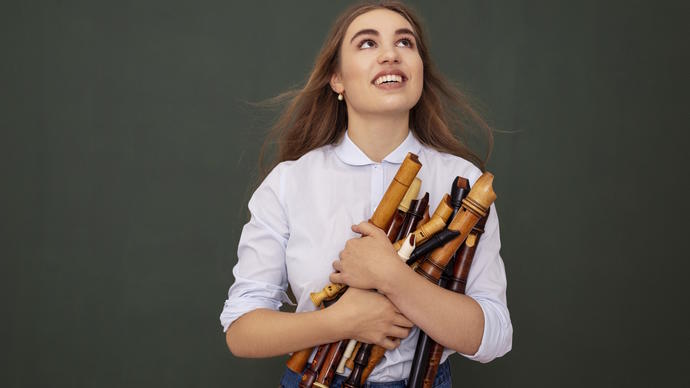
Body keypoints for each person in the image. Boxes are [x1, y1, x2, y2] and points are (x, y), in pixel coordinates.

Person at [220, 2, 512, 387]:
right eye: (367, 44)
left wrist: (393, 277)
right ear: (336, 79)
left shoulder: (464, 182)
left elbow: (494, 337)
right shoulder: (289, 182)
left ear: (420, 69)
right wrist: (341, 320)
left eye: (405, 43)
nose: (390, 54)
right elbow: (241, 329)